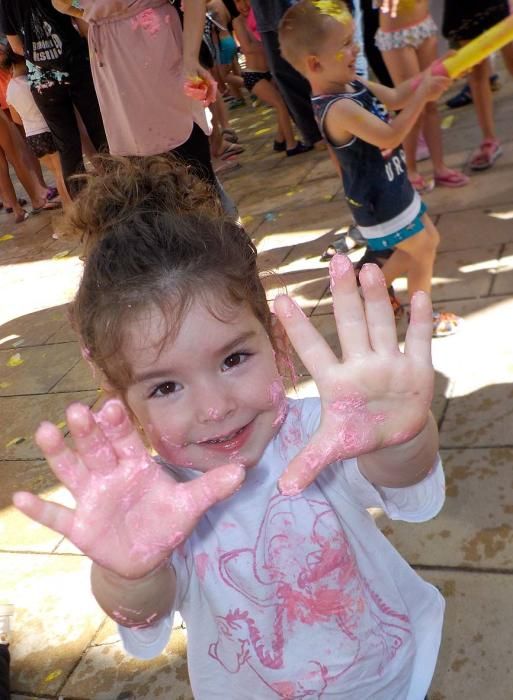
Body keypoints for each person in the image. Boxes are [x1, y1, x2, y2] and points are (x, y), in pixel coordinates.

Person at [13, 154, 444, 699]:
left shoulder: (320, 433)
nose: (215, 407)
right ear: (120, 400)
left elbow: (407, 487)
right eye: (165, 387)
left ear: (276, 341)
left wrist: (404, 436)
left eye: (233, 359)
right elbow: (146, 614)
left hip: (389, 675)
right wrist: (129, 575)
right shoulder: (155, 502)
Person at [279, 0, 462, 337]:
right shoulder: (338, 108)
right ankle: (423, 320)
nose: (356, 48)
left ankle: (367, 290)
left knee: (425, 242)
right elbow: (391, 134)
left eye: (353, 38)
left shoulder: (353, 84)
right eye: (345, 44)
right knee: (423, 248)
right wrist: (424, 94)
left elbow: (395, 96)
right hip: (380, 202)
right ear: (314, 63)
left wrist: (432, 72)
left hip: (393, 187)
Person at [54, 0, 235, 213]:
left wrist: (190, 58)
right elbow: (60, 3)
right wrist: (98, 14)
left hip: (157, 45)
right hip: (112, 56)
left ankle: (223, 230)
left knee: (192, 167)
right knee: (143, 171)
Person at [0, 0, 107, 193]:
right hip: (76, 67)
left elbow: (15, 47)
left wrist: (40, 57)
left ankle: (81, 209)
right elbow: (82, 24)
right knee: (100, 134)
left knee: (68, 149)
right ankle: (120, 193)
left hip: (43, 82)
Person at [374, 0, 469, 192]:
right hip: (397, 36)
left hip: (424, 25)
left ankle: (440, 168)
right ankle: (410, 172)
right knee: (413, 107)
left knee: (432, 104)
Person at [232, 0, 313, 155]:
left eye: (245, 1)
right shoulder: (238, 22)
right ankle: (291, 145)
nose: (243, 5)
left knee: (286, 102)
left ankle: (280, 140)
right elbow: (248, 48)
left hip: (268, 72)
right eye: (238, 2)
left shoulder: (258, 17)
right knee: (281, 105)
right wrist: (271, 45)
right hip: (253, 75)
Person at [442, 0, 513, 170]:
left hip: (499, 6)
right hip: (463, 8)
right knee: (476, 72)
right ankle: (489, 139)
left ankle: (490, 140)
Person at [4, 49, 71, 208]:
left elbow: (16, 119)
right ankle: (71, 208)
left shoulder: (10, 89)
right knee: (63, 173)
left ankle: (68, 206)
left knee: (57, 174)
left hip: (32, 138)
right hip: (48, 131)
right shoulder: (32, 82)